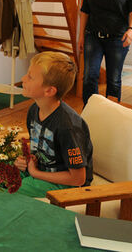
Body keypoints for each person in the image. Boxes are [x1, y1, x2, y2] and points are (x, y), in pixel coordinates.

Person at [15, 52, 93, 198]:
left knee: (14, 189)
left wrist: (35, 173)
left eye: (30, 77)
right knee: (0, 172)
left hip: (67, 185)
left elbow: (78, 179)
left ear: (49, 91)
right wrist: (27, 160)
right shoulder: (34, 110)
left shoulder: (67, 127)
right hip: (42, 170)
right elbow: (38, 149)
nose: (23, 79)